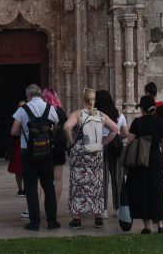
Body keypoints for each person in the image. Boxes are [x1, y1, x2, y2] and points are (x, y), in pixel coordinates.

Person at [63, 88, 118, 228]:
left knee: (78, 185)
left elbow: (67, 127)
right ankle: (98, 217)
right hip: (97, 154)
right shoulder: (101, 115)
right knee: (96, 184)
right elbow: (115, 129)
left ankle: (77, 218)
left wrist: (71, 143)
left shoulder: (78, 114)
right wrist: (104, 143)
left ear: (83, 99)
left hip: (81, 154)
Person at [12, 83, 61, 231]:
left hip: (29, 153)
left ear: (29, 96)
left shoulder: (23, 110)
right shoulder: (49, 108)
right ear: (40, 94)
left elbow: (13, 131)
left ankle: (34, 222)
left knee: (31, 188)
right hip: (46, 151)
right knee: (49, 186)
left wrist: (24, 131)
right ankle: (52, 221)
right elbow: (56, 123)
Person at [128, 95, 163, 234]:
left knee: (143, 190)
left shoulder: (137, 122)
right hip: (156, 158)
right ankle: (161, 224)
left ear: (142, 108)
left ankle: (147, 227)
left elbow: (129, 142)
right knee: (157, 190)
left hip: (141, 158)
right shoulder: (161, 122)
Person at [96, 89, 127, 217]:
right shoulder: (119, 115)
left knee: (103, 179)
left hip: (100, 146)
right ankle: (118, 207)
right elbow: (125, 133)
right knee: (117, 178)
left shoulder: (97, 115)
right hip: (116, 147)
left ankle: (103, 209)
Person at [43, 87, 68, 208]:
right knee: (58, 178)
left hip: (45, 146)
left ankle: (34, 206)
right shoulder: (61, 111)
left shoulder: (43, 110)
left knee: (40, 178)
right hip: (59, 147)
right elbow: (67, 127)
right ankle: (54, 206)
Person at [7, 100, 25, 196]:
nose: (21, 108)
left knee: (27, 168)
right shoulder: (14, 117)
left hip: (26, 145)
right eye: (20, 106)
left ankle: (26, 188)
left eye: (23, 106)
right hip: (17, 145)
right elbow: (11, 132)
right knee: (18, 168)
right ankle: (20, 189)